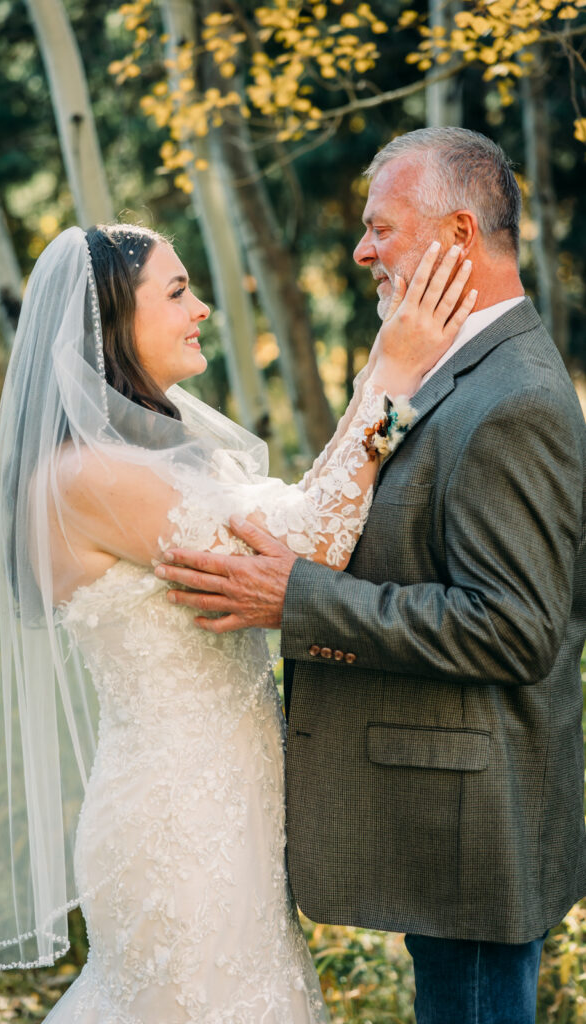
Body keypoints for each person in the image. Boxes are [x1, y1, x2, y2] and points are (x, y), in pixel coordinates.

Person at [0, 218, 474, 1022]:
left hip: (225, 810)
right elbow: (307, 544)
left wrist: (383, 380)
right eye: (176, 292)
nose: (200, 307)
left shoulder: (139, 459)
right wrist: (392, 379)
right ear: (109, 323)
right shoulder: (90, 477)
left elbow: (299, 516)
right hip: (180, 827)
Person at [156, 127, 586, 1024]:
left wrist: (298, 599)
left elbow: (513, 625)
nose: (359, 251)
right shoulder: (448, 369)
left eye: (379, 228)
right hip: (441, 808)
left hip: (475, 820)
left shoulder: (515, 399)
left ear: (459, 236)